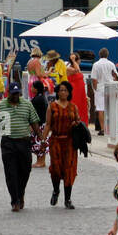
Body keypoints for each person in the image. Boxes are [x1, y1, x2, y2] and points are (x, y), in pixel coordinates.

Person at [0, 81, 42, 211]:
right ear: (8, 93)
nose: (15, 96)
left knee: (25, 170)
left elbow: (34, 124)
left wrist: (42, 141)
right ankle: (14, 200)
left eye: (17, 94)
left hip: (24, 142)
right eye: (13, 94)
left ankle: (20, 193)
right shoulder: (1, 106)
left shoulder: (27, 105)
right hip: (8, 142)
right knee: (11, 173)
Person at [44, 79, 81, 208]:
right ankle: (56, 190)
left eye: (65, 90)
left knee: (69, 169)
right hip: (55, 141)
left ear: (69, 92)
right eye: (61, 90)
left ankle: (68, 199)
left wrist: (75, 124)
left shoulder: (73, 107)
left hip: (70, 142)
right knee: (55, 168)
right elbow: (48, 124)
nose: (63, 92)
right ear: (57, 92)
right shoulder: (52, 106)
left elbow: (78, 121)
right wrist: (43, 140)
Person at [90, 48, 116, 135]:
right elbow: (115, 76)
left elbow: (94, 79)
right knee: (111, 108)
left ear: (99, 55)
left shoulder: (96, 65)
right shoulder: (111, 64)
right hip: (110, 87)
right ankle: (111, 128)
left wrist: (95, 89)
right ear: (107, 55)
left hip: (100, 87)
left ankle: (102, 129)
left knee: (100, 109)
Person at [30, 80, 51, 167]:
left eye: (32, 87)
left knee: (39, 143)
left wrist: (33, 125)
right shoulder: (41, 97)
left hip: (39, 124)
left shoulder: (38, 99)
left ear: (36, 88)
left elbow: (36, 113)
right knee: (38, 143)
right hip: (42, 124)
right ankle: (40, 161)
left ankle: (41, 161)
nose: (31, 88)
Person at [65, 53, 89, 125]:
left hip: (81, 93)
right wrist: (73, 60)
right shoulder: (69, 68)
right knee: (75, 107)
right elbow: (77, 70)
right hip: (74, 92)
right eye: (79, 59)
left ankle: (82, 125)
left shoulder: (76, 67)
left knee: (82, 108)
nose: (80, 61)